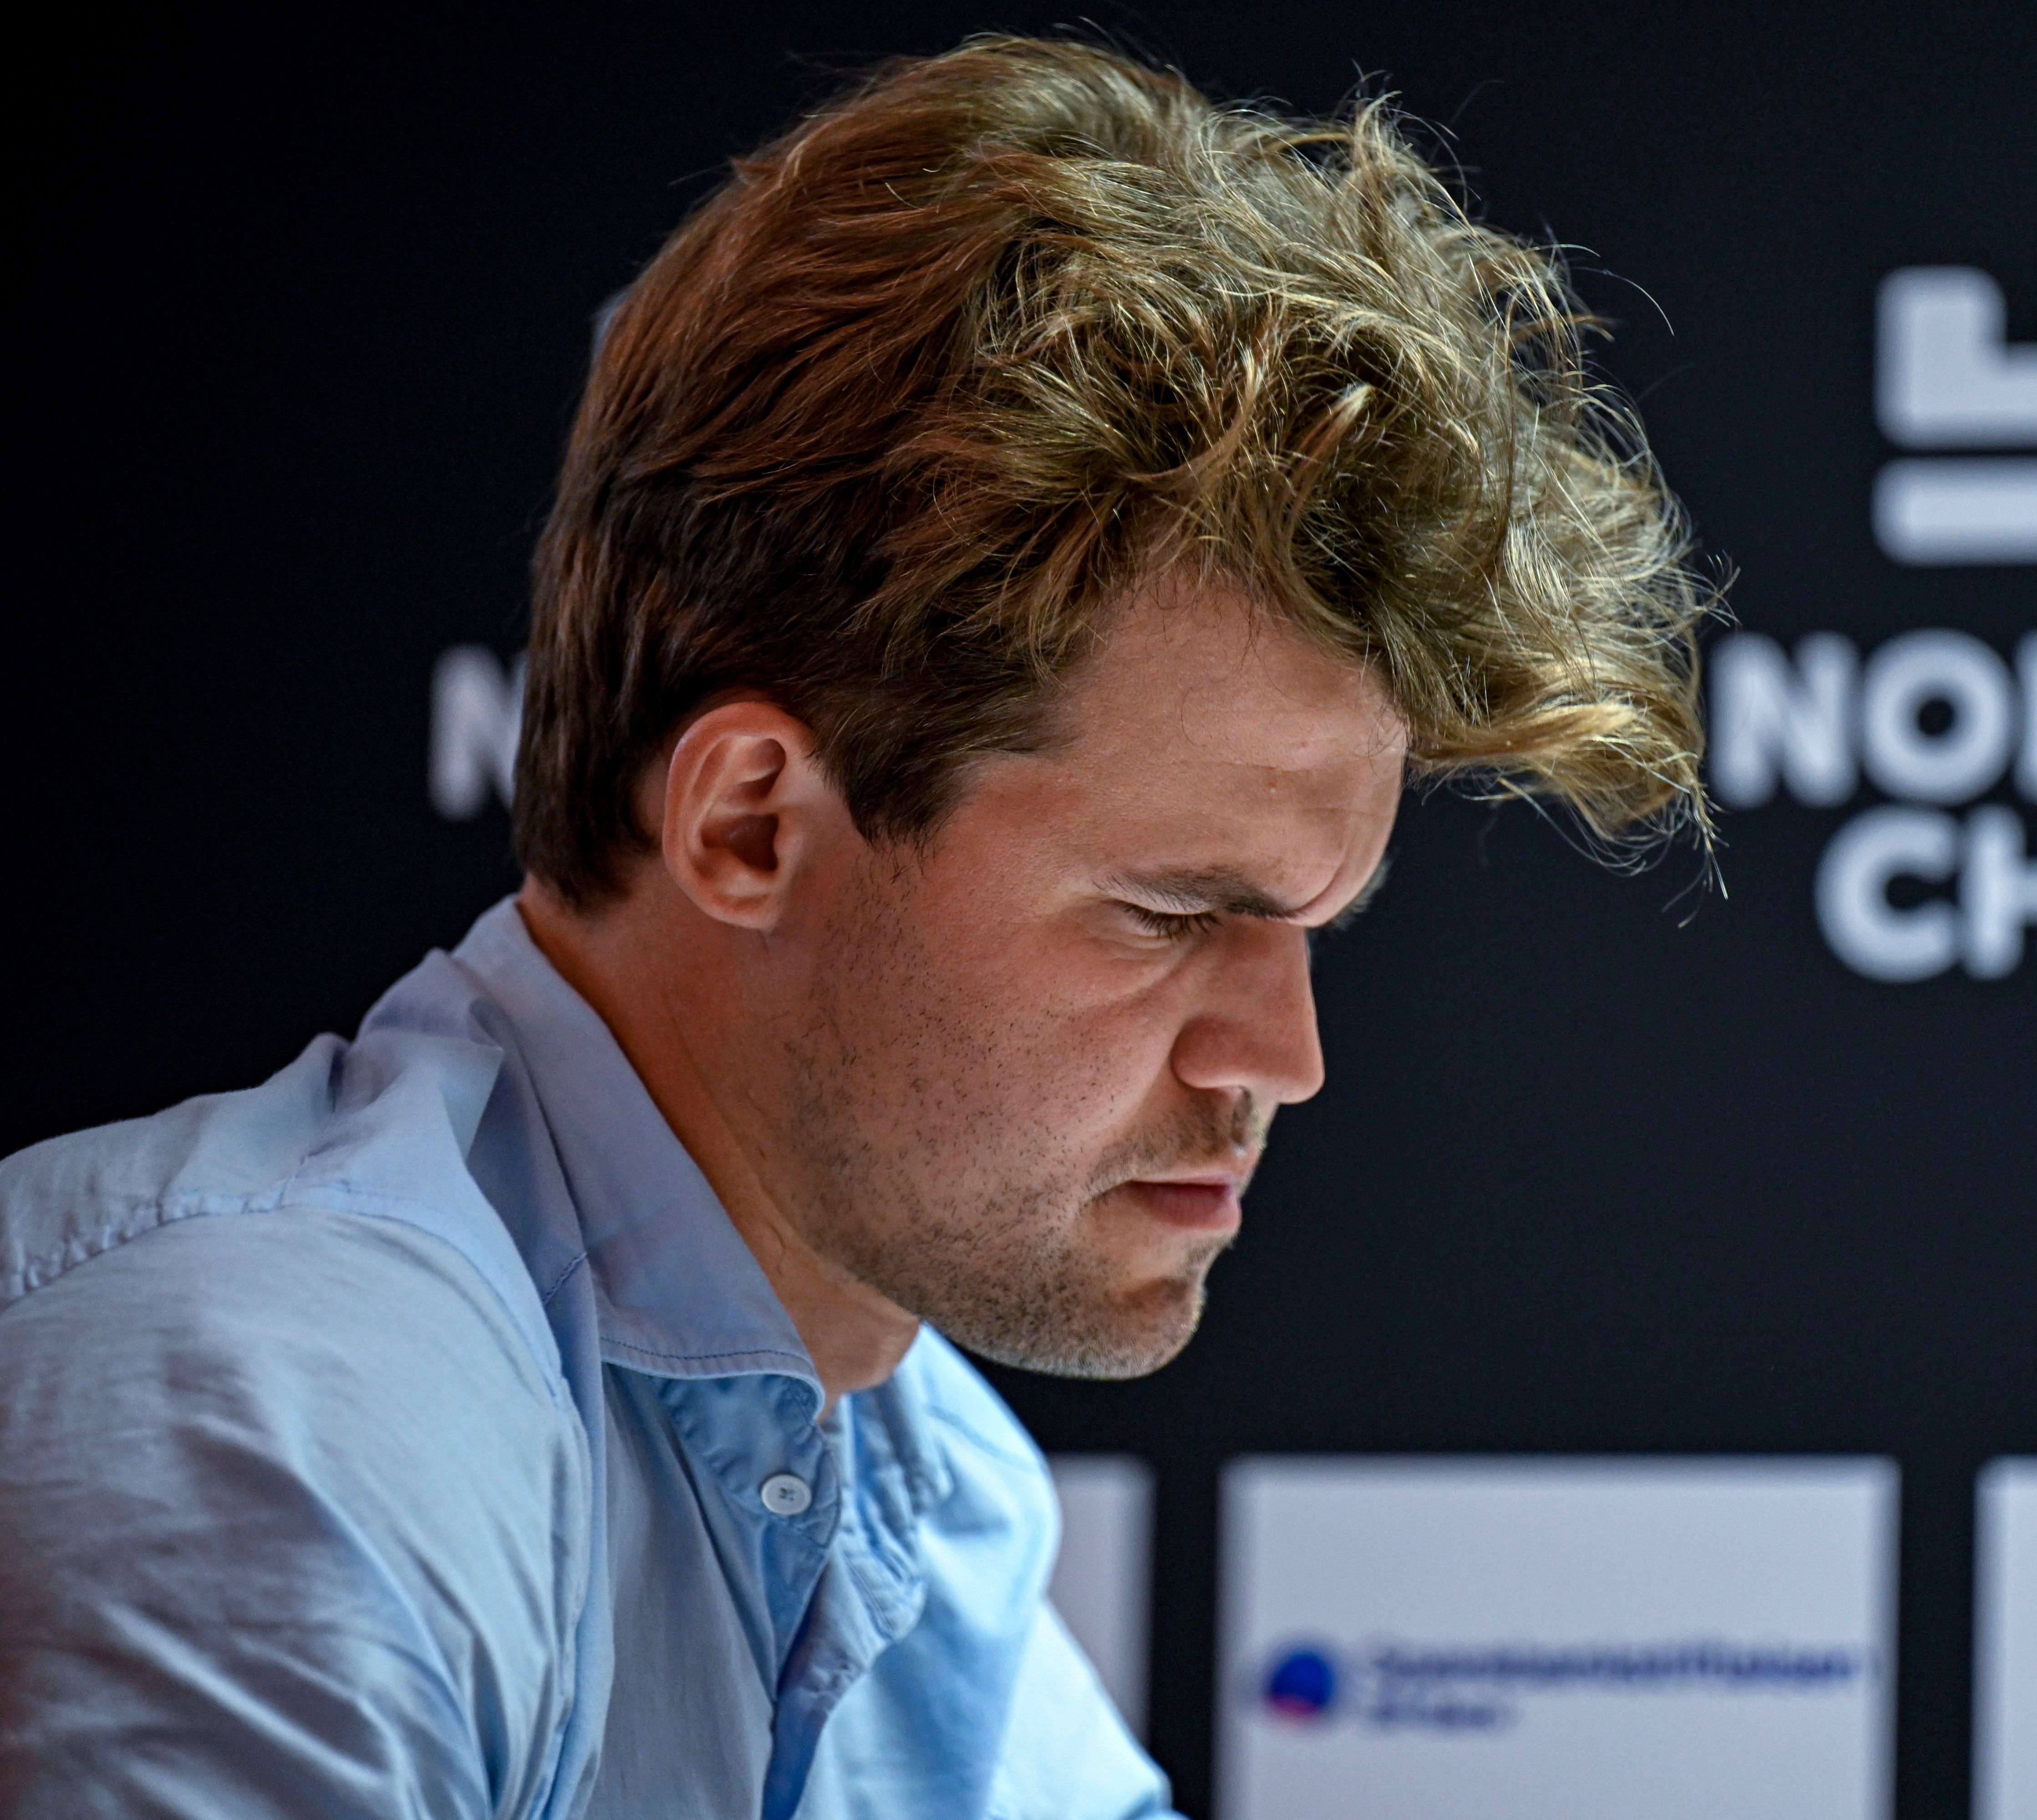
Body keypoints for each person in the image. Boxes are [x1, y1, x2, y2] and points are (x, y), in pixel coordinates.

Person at [0, 35, 1707, 1820]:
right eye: (1168, 914)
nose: (1283, 1058)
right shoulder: (270, 1427)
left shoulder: (919, 1475)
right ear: (751, 825)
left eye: (1310, 927)